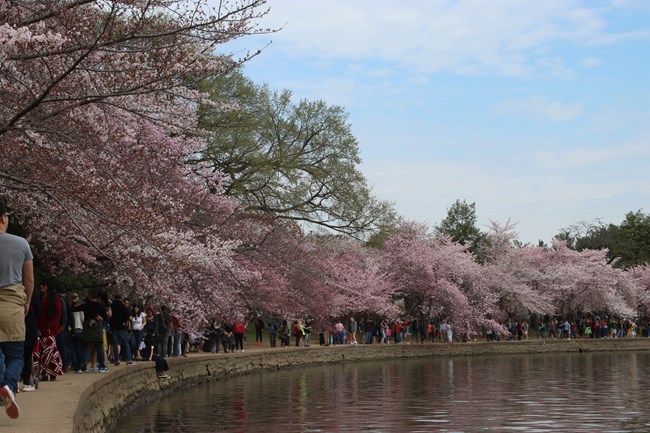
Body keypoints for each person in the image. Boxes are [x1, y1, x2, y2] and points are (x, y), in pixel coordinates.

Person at [0, 198, 34, 419]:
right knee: (15, 355)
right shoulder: (21, 243)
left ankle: (3, 387)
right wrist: (27, 301)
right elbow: (29, 279)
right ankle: (10, 386)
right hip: (12, 303)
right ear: (4, 218)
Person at [109, 294, 133, 365]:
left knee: (115, 343)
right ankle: (128, 359)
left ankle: (117, 359)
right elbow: (126, 316)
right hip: (121, 327)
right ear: (121, 299)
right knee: (125, 343)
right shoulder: (123, 306)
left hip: (113, 327)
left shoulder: (111, 306)